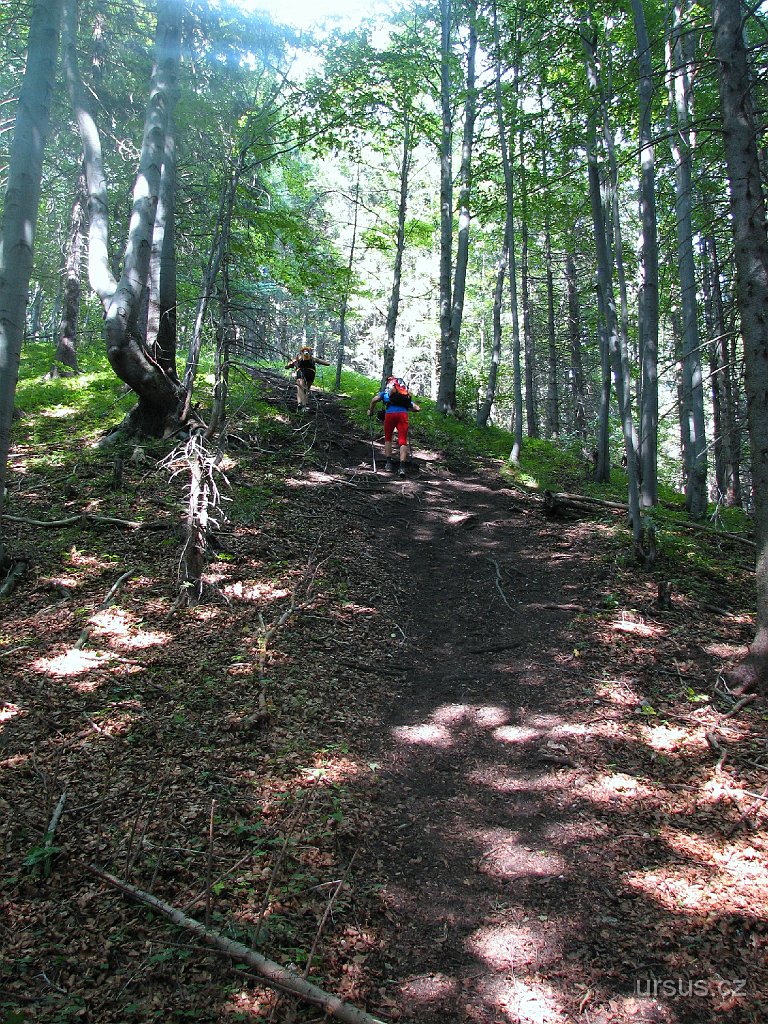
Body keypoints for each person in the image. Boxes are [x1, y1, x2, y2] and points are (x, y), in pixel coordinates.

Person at [367, 376, 420, 476]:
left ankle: (388, 464)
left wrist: (371, 411)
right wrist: (406, 409)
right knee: (402, 441)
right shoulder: (404, 395)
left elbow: (375, 399)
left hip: (389, 415)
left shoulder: (386, 393)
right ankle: (402, 468)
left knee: (388, 439)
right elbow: (417, 408)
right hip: (403, 415)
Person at [285, 345, 330, 412]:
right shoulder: (312, 358)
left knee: (300, 389)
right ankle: (304, 406)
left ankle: (300, 404)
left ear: (301, 352)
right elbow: (327, 364)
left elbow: (287, 366)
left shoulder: (297, 359)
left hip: (301, 372)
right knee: (306, 389)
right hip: (311, 373)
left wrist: (290, 365)